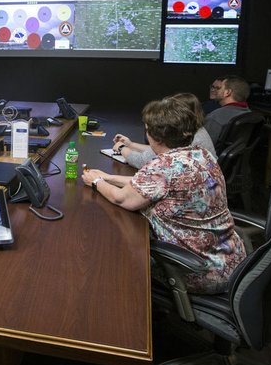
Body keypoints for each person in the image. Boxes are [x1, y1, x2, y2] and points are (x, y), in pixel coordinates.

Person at [82, 97, 246, 294]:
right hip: (231, 258)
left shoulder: (164, 166)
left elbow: (122, 198)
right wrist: (109, 177)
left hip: (197, 270)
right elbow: (150, 184)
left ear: (155, 136)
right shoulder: (201, 154)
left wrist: (96, 182)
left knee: (112, 255)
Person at [112, 92, 216, 168]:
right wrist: (131, 145)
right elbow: (158, 150)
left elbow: (143, 161)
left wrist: (121, 148)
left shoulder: (184, 134)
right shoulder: (195, 129)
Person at [203, 75, 251, 144]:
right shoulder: (249, 112)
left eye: (219, 88)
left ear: (227, 92)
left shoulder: (215, 117)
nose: (215, 91)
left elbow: (204, 146)